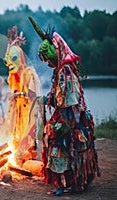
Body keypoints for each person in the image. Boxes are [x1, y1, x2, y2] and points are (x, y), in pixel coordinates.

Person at [29, 17, 101, 196]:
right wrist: (44, 100)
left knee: (59, 145)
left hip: (69, 118)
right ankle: (74, 181)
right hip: (68, 116)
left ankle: (67, 183)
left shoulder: (65, 72)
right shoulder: (62, 70)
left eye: (47, 59)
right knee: (64, 145)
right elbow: (58, 97)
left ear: (55, 53)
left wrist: (50, 104)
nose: (46, 63)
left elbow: (67, 101)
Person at [0, 26, 41, 166]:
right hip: (18, 110)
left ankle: (28, 158)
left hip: (28, 110)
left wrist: (19, 94)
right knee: (16, 132)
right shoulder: (13, 76)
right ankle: (18, 156)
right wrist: (14, 96)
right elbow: (12, 91)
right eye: (7, 61)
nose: (10, 64)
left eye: (13, 59)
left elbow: (32, 95)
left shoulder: (29, 74)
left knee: (27, 132)